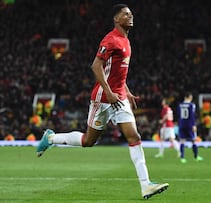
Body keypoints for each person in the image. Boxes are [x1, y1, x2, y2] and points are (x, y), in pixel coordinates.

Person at [36, 4, 169, 200]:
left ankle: (146, 185)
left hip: (119, 98)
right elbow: (96, 66)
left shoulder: (126, 40)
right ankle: (51, 138)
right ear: (116, 19)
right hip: (102, 98)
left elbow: (117, 74)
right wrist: (108, 92)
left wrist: (127, 92)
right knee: (88, 141)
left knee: (134, 136)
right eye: (126, 14)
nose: (130, 16)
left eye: (131, 13)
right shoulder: (111, 39)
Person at [177, 92, 203, 163]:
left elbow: (179, 115)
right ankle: (196, 156)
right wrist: (193, 125)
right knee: (193, 140)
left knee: (182, 141)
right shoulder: (192, 105)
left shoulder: (180, 105)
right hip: (189, 125)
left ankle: (182, 158)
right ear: (188, 97)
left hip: (182, 124)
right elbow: (192, 116)